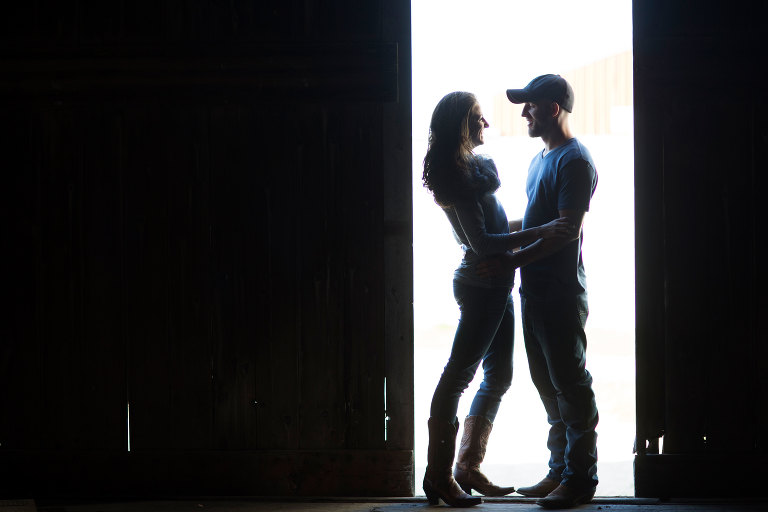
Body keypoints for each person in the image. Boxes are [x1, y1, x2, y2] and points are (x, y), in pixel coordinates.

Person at [420, 91, 574, 507]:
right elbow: (487, 244)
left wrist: (545, 224)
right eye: (478, 118)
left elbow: (497, 230)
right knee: (457, 377)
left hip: (497, 285)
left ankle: (466, 466)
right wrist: (543, 232)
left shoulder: (471, 173)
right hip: (482, 286)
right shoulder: (456, 179)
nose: (486, 125)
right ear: (461, 126)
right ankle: (438, 476)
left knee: (499, 376)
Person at [481, 74, 599, 509]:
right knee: (549, 387)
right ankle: (559, 472)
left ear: (552, 108)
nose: (524, 112)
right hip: (534, 292)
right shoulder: (540, 159)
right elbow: (535, 226)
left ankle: (580, 480)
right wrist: (490, 237)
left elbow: (567, 231)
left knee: (570, 385)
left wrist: (509, 258)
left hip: (561, 294)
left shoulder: (574, 161)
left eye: (530, 105)